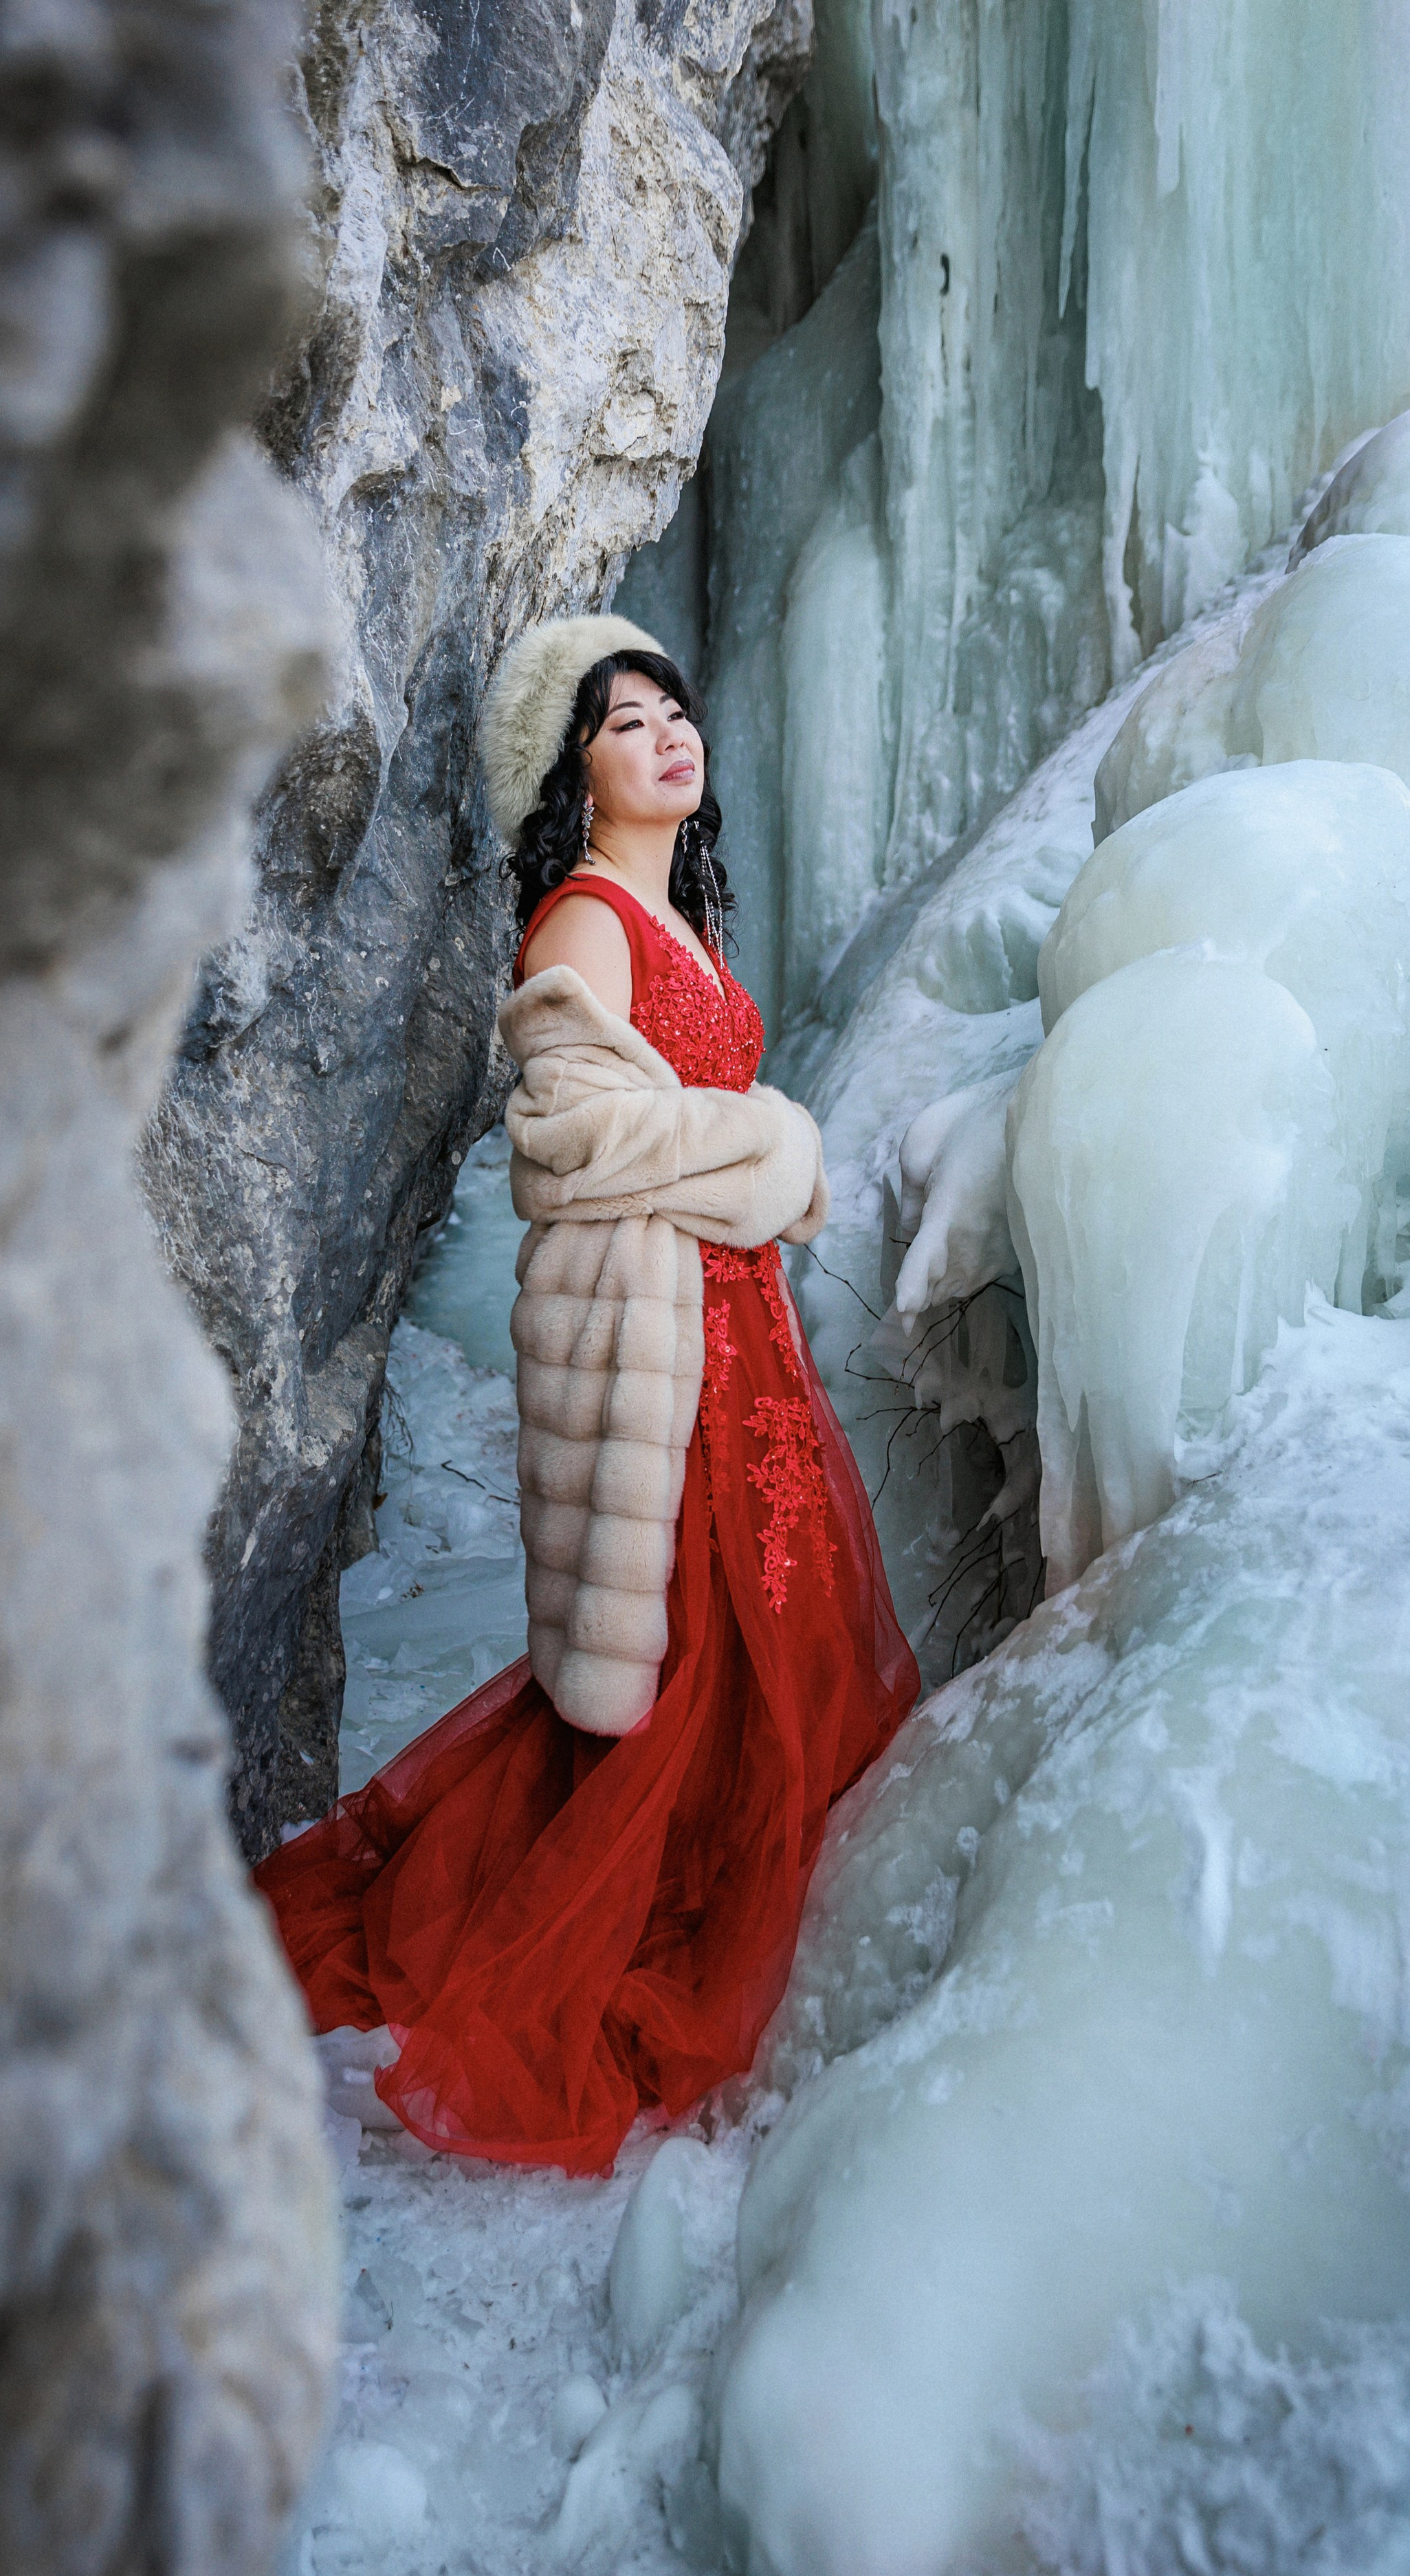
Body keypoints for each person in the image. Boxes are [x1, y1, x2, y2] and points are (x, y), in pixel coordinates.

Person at [254, 615, 918, 2175]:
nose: (667, 736)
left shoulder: (669, 918)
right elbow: (569, 1146)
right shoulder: (582, 922)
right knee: (703, 1651)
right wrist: (775, 1148)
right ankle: (667, 1944)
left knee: (768, 1630)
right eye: (623, 724)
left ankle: (766, 1921)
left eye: (672, 709)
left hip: (725, 1327)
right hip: (662, 1348)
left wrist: (755, 1154)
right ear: (573, 773)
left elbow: (658, 1122)